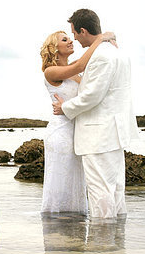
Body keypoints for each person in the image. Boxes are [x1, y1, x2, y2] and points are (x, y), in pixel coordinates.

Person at [53, 9, 139, 219]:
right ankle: (116, 242)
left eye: (74, 33)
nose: (73, 38)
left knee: (99, 189)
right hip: (115, 132)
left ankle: (101, 244)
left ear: (83, 31)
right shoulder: (118, 52)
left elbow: (92, 96)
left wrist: (65, 108)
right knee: (116, 188)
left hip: (98, 135)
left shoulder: (100, 56)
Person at [41, 29, 115, 213]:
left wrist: (108, 40)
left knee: (75, 181)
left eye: (70, 37)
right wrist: (100, 38)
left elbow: (86, 65)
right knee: (60, 180)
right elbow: (82, 64)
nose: (71, 41)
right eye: (64, 39)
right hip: (60, 133)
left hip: (77, 133)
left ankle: (74, 229)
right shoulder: (51, 72)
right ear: (54, 48)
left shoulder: (72, 68)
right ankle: (54, 228)